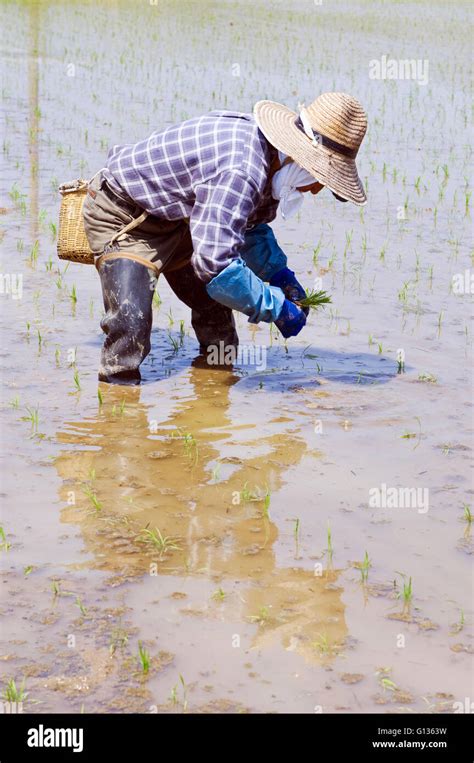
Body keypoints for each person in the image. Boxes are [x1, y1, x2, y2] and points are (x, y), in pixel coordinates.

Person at [83, 92, 367, 384]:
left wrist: (279, 274)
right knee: (130, 326)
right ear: (300, 160)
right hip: (125, 214)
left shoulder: (272, 164)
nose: (317, 189)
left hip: (182, 219)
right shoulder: (243, 168)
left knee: (217, 321)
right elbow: (215, 264)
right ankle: (119, 414)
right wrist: (274, 306)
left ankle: (213, 399)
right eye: (320, 178)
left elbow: (246, 229)